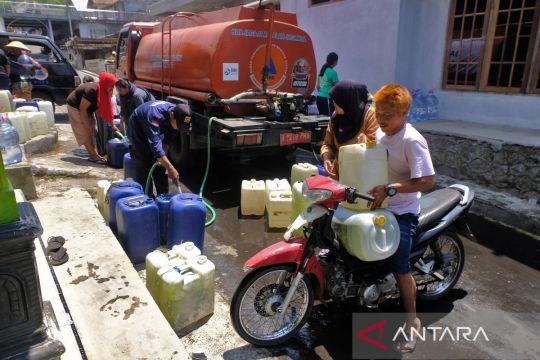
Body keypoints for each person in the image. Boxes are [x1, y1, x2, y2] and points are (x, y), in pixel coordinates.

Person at [368, 83, 435, 353]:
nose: (382, 119)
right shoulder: (380, 132)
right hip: (380, 204)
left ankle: (412, 322)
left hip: (404, 209)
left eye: (388, 114)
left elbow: (428, 180)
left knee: (400, 266)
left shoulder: (412, 140)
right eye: (379, 112)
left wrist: (391, 189)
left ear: (404, 112)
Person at [127, 100, 191, 196]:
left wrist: (162, 156)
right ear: (172, 115)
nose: (179, 129)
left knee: (160, 169)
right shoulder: (155, 115)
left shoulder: (178, 113)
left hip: (155, 132)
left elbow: (169, 137)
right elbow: (155, 144)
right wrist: (170, 168)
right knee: (144, 167)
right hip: (138, 135)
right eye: (179, 125)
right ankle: (146, 199)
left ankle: (163, 198)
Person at [320, 80, 379, 179]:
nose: (333, 103)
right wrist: (326, 157)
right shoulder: (336, 117)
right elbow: (327, 144)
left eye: (337, 101)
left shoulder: (370, 116)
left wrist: (364, 142)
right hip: (338, 175)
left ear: (348, 101)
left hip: (361, 177)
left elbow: (375, 148)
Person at [66, 72, 118, 164]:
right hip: (75, 106)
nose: (112, 89)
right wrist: (86, 125)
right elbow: (82, 110)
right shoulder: (92, 90)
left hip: (87, 109)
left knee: (93, 130)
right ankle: (93, 156)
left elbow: (101, 109)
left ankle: (95, 154)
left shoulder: (103, 91)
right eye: (111, 86)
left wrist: (111, 124)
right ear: (106, 84)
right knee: (84, 131)